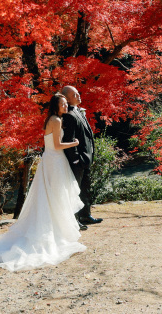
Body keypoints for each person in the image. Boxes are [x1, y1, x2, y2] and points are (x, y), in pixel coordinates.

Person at [0, 93, 86, 271]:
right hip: (55, 160)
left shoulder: (51, 119)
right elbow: (57, 145)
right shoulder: (57, 120)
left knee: (52, 196)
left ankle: (56, 230)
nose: (66, 107)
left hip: (51, 160)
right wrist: (74, 143)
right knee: (56, 196)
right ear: (56, 106)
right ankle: (56, 233)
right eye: (63, 104)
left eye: (66, 104)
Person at [61, 85, 103, 228]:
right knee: (75, 190)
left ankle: (86, 215)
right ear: (66, 98)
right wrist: (75, 159)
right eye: (75, 95)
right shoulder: (68, 115)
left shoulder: (78, 112)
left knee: (85, 189)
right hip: (78, 160)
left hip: (86, 157)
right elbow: (69, 139)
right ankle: (75, 220)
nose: (79, 96)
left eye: (78, 93)